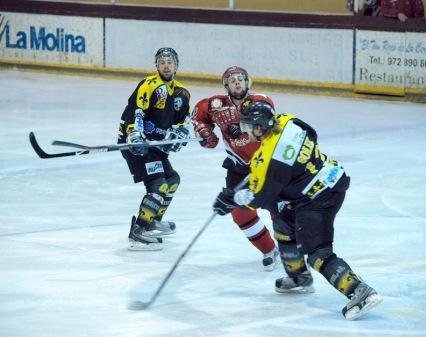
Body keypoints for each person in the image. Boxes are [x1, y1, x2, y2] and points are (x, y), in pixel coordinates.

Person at [213, 98, 382, 320]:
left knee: (318, 252)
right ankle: (298, 276)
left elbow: (261, 197)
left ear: (259, 126)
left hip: (318, 197)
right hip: (329, 177)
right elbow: (311, 134)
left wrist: (232, 199)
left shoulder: (269, 159)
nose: (246, 133)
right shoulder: (288, 121)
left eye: (247, 127)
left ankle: (360, 291)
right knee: (283, 223)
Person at [191, 66, 279, 270]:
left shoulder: (261, 100)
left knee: (278, 209)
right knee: (241, 213)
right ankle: (268, 250)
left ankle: (290, 249)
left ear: (248, 82)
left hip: (266, 165)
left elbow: (264, 121)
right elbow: (197, 116)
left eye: (241, 79)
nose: (237, 82)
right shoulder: (215, 104)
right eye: (232, 80)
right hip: (238, 167)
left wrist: (238, 126)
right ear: (226, 86)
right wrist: (204, 132)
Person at [118, 47, 191, 251]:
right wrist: (134, 134)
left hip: (156, 147)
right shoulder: (149, 84)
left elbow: (181, 122)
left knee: (172, 180)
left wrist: (180, 134)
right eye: (162, 62)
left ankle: (152, 220)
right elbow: (137, 111)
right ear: (156, 65)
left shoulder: (182, 93)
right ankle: (139, 230)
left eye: (170, 62)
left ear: (177, 65)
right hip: (137, 145)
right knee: (158, 185)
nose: (166, 65)